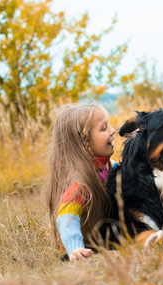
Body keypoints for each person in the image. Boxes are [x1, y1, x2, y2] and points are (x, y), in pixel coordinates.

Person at [46, 103, 117, 261]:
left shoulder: (108, 166)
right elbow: (67, 217)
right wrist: (75, 248)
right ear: (84, 140)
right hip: (88, 245)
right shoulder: (80, 183)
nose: (113, 131)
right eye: (104, 128)